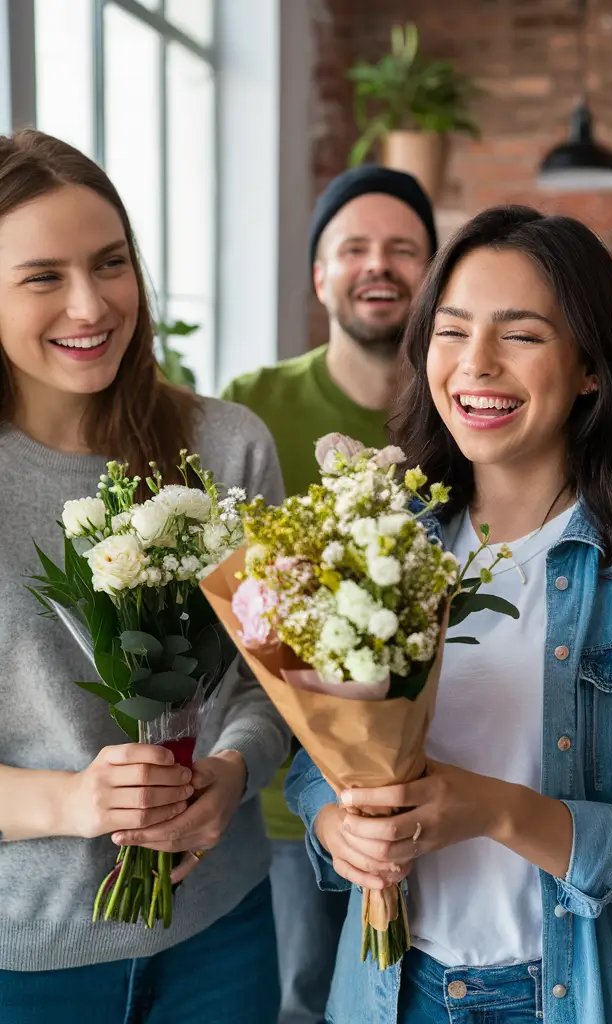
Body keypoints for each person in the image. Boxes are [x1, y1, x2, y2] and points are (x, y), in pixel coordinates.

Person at [285, 205, 612, 1022]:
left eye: (521, 335)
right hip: (394, 990)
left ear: (591, 368)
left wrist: (495, 809)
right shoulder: (376, 536)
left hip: (570, 995)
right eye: (451, 332)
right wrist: (331, 823)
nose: (476, 365)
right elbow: (313, 759)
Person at [0, 130, 290, 1022]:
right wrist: (72, 800)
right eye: (43, 276)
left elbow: (272, 673)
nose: (90, 305)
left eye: (112, 263)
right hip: (28, 955)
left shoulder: (227, 445)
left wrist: (234, 772)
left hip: (223, 928)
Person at [221, 165, 436, 1024]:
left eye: (403, 249)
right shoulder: (252, 408)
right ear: (320, 275)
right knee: (305, 1003)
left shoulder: (463, 409)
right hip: (290, 798)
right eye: (354, 248)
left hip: (436, 791)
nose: (378, 266)